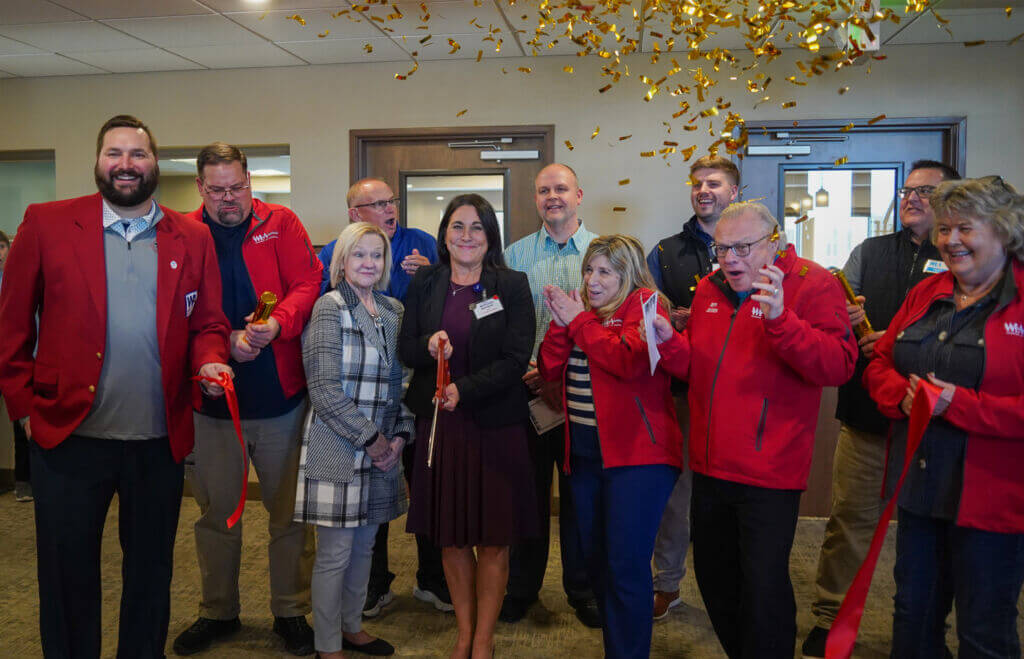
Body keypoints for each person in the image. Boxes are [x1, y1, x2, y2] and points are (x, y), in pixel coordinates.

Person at [0, 114, 233, 658]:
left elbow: (211, 324)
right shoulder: (47, 223)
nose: (126, 164)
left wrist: (211, 362)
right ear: (99, 161)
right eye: (114, 153)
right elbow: (12, 325)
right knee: (66, 575)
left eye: (138, 154)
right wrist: (24, 409)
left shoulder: (192, 236)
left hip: (158, 440)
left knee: (150, 575)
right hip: (67, 437)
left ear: (155, 163)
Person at [650, 201, 857, 658]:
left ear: (774, 243)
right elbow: (698, 367)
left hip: (769, 471)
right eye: (722, 248)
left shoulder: (813, 284)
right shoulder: (708, 289)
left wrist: (782, 320)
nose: (730, 258)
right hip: (709, 465)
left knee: (763, 591)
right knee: (714, 580)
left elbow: (838, 364)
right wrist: (668, 342)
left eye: (742, 247)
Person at [802, 159, 961, 656]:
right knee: (849, 520)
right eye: (908, 191)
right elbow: (832, 309)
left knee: (930, 531)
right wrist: (845, 315)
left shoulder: (962, 258)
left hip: (938, 423)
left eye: (926, 192)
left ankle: (924, 626)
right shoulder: (871, 250)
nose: (912, 198)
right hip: (868, 414)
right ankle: (831, 616)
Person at [863, 176, 1024, 658]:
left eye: (966, 229)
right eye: (945, 229)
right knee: (912, 622)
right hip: (919, 491)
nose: (951, 240)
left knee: (984, 630)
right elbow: (880, 364)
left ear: (1003, 231)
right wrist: (900, 397)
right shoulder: (927, 291)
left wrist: (963, 407)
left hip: (994, 501)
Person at [173, 142, 321, 656]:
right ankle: (218, 611)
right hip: (213, 402)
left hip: (281, 398)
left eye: (237, 187)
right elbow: (181, 316)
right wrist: (207, 360)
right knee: (217, 515)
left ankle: (291, 611)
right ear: (200, 188)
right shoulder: (185, 234)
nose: (229, 198)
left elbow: (307, 281)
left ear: (250, 180)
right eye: (217, 190)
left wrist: (278, 324)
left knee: (289, 516)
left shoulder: (282, 222)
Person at [400, 194, 537, 658]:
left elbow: (516, 357)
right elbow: (405, 348)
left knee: (494, 539)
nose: (466, 236)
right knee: (452, 536)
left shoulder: (512, 285)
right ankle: (463, 631)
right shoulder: (426, 283)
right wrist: (428, 342)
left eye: (476, 227)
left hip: (494, 426)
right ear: (443, 234)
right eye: (457, 226)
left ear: (490, 236)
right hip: (442, 430)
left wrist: (467, 389)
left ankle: (484, 639)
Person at [539, 234, 683, 658]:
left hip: (638, 460)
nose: (593, 279)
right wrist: (563, 324)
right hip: (583, 457)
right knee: (598, 564)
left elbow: (628, 361)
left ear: (628, 273)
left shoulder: (646, 305)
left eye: (604, 271)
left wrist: (578, 323)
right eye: (589, 269)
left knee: (626, 567)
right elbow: (549, 367)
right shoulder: (582, 310)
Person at [319, 178, 446, 617]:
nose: (389, 208)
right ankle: (374, 586)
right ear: (355, 213)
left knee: (424, 485)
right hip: (356, 397)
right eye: (376, 203)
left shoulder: (423, 243)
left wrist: (428, 273)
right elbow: (331, 316)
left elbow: (445, 301)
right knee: (365, 499)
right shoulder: (333, 252)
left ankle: (433, 580)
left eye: (391, 200)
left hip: (414, 386)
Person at [296, 221, 414, 658]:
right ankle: (327, 643)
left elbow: (399, 381)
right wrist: (372, 440)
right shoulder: (329, 307)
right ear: (341, 261)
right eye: (359, 254)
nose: (369, 263)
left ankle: (352, 626)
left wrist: (399, 435)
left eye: (376, 255)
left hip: (383, 446)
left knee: (366, 545)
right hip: (338, 443)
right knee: (335, 553)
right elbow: (324, 389)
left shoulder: (392, 310)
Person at [502, 163, 600, 627]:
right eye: (544, 190)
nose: (552, 197)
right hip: (528, 393)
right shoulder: (514, 254)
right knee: (528, 495)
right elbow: (501, 321)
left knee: (581, 496)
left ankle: (582, 588)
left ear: (579, 194)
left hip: (584, 393)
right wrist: (527, 368)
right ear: (535, 198)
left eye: (561, 188)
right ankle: (521, 587)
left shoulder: (604, 254)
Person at [644, 155, 739, 618]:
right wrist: (673, 319)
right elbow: (645, 312)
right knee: (676, 495)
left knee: (733, 495)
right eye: (697, 183)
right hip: (681, 391)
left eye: (714, 183)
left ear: (733, 192)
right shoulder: (665, 252)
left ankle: (736, 583)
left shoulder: (755, 248)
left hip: (737, 395)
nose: (704, 190)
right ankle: (667, 583)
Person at [0, 229, 31, 503]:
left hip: (21, 358)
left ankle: (25, 482)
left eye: (1, 246)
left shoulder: (18, 277)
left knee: (21, 424)